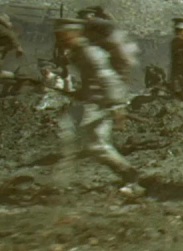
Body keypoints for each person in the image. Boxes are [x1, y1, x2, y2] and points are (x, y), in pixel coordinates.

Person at [52, 18, 138, 183]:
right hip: (90, 103)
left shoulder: (90, 52)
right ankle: (61, 179)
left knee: (96, 145)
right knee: (77, 140)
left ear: (75, 33)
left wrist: (116, 106)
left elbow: (108, 78)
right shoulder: (77, 52)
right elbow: (90, 80)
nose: (62, 40)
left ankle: (129, 174)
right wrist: (80, 93)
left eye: (64, 35)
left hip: (100, 105)